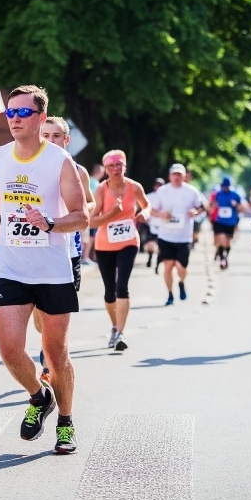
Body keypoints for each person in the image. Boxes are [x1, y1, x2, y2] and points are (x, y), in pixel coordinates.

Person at [0, 85, 88, 455]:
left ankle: (66, 423)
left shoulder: (59, 161)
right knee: (9, 349)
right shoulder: (0, 156)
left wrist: (50, 223)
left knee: (55, 354)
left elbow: (81, 216)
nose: (15, 119)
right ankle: (39, 396)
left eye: (23, 113)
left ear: (39, 117)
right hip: (11, 267)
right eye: (11, 113)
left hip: (52, 271)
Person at [34, 116, 95, 379]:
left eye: (56, 136)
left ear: (66, 140)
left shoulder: (77, 170)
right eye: (45, 136)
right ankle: (46, 345)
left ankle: (50, 357)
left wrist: (74, 213)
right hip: (34, 250)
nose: (50, 141)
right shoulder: (29, 167)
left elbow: (89, 205)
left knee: (57, 314)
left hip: (67, 252)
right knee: (39, 312)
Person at [89, 150, 150, 351]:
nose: (115, 169)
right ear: (105, 169)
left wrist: (145, 213)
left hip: (128, 241)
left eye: (119, 165)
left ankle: (120, 333)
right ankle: (114, 326)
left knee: (122, 286)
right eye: (111, 166)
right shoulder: (100, 189)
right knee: (109, 291)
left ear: (124, 167)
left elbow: (146, 205)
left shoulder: (134, 187)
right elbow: (92, 220)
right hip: (104, 244)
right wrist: (112, 214)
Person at [149, 163, 208, 306]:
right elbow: (151, 210)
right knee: (168, 267)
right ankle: (170, 294)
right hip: (166, 236)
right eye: (174, 174)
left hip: (184, 236)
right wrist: (161, 214)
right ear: (169, 176)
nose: (176, 177)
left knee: (181, 267)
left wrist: (195, 212)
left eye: (179, 175)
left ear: (184, 176)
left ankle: (181, 282)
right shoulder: (162, 191)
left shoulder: (191, 191)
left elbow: (202, 207)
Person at [211, 177, 244, 270]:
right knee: (221, 240)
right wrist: (214, 206)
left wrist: (236, 205)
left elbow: (242, 208)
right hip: (220, 220)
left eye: (227, 186)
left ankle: (225, 257)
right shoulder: (218, 194)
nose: (225, 188)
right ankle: (222, 258)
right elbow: (213, 204)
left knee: (227, 242)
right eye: (224, 186)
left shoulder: (235, 195)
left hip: (230, 222)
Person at [82, 163, 105, 264]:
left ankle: (87, 257)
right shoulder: (95, 183)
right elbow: (94, 201)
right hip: (90, 214)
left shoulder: (89, 180)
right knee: (89, 237)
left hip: (87, 212)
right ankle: (85, 257)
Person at [144, 178, 165, 273]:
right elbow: (144, 207)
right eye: (157, 185)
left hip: (164, 225)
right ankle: (150, 256)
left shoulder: (167, 196)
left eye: (160, 185)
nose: (158, 187)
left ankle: (157, 264)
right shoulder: (149, 196)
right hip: (151, 223)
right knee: (151, 244)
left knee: (161, 247)